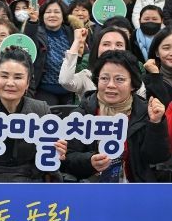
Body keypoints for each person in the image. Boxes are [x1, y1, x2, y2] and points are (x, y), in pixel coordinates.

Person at [64, 51, 170, 182]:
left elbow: (157, 158)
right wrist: (89, 161)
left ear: (133, 84)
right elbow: (66, 159)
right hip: (91, 187)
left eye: (119, 79)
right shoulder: (82, 114)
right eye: (104, 78)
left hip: (135, 187)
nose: (110, 85)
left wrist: (156, 123)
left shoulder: (145, 112)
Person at [0, 48, 66, 182]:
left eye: (18, 77)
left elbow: (48, 163)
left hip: (30, 181)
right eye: (4, 76)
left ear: (27, 83)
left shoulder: (41, 110)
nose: (10, 83)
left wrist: (56, 153)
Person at [59, 27, 133, 101]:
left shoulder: (132, 77)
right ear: (97, 48)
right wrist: (77, 41)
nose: (113, 48)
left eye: (119, 45)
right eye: (106, 44)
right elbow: (65, 81)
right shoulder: (87, 76)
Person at [24, 0, 75, 105]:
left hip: (71, 89)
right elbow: (29, 41)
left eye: (57, 12)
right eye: (48, 12)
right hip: (44, 89)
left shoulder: (72, 32)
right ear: (42, 15)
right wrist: (32, 22)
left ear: (63, 15)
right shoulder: (37, 32)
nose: (52, 15)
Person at [143, 26, 172, 106]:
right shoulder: (145, 83)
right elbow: (165, 108)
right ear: (157, 52)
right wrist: (155, 76)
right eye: (166, 48)